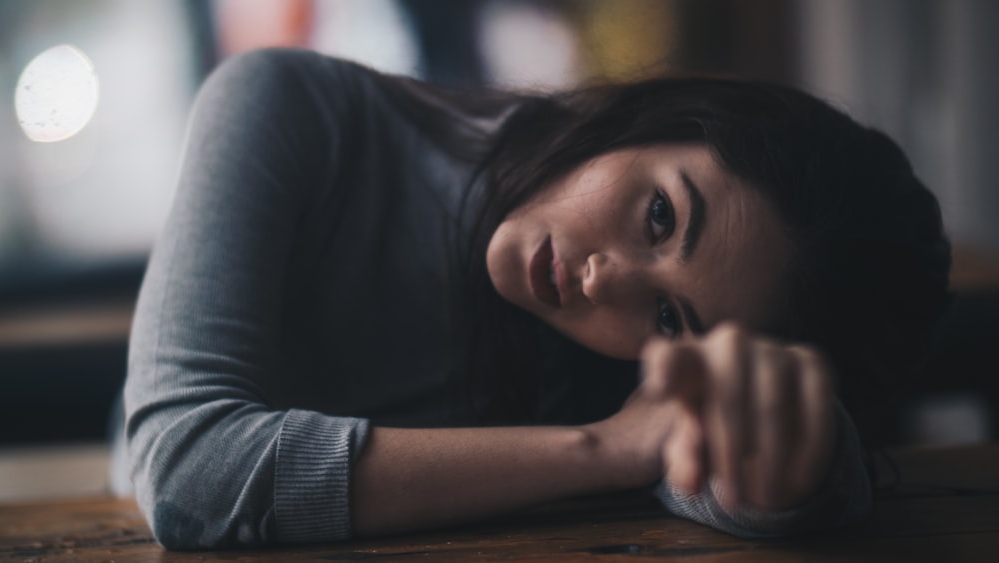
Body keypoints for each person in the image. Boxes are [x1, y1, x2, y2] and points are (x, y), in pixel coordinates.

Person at [114, 48, 951, 549]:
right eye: (660, 214)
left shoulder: (621, 361)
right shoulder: (287, 106)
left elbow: (770, 473)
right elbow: (188, 470)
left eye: (669, 317)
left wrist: (804, 468)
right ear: (658, 120)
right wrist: (602, 448)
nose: (606, 281)